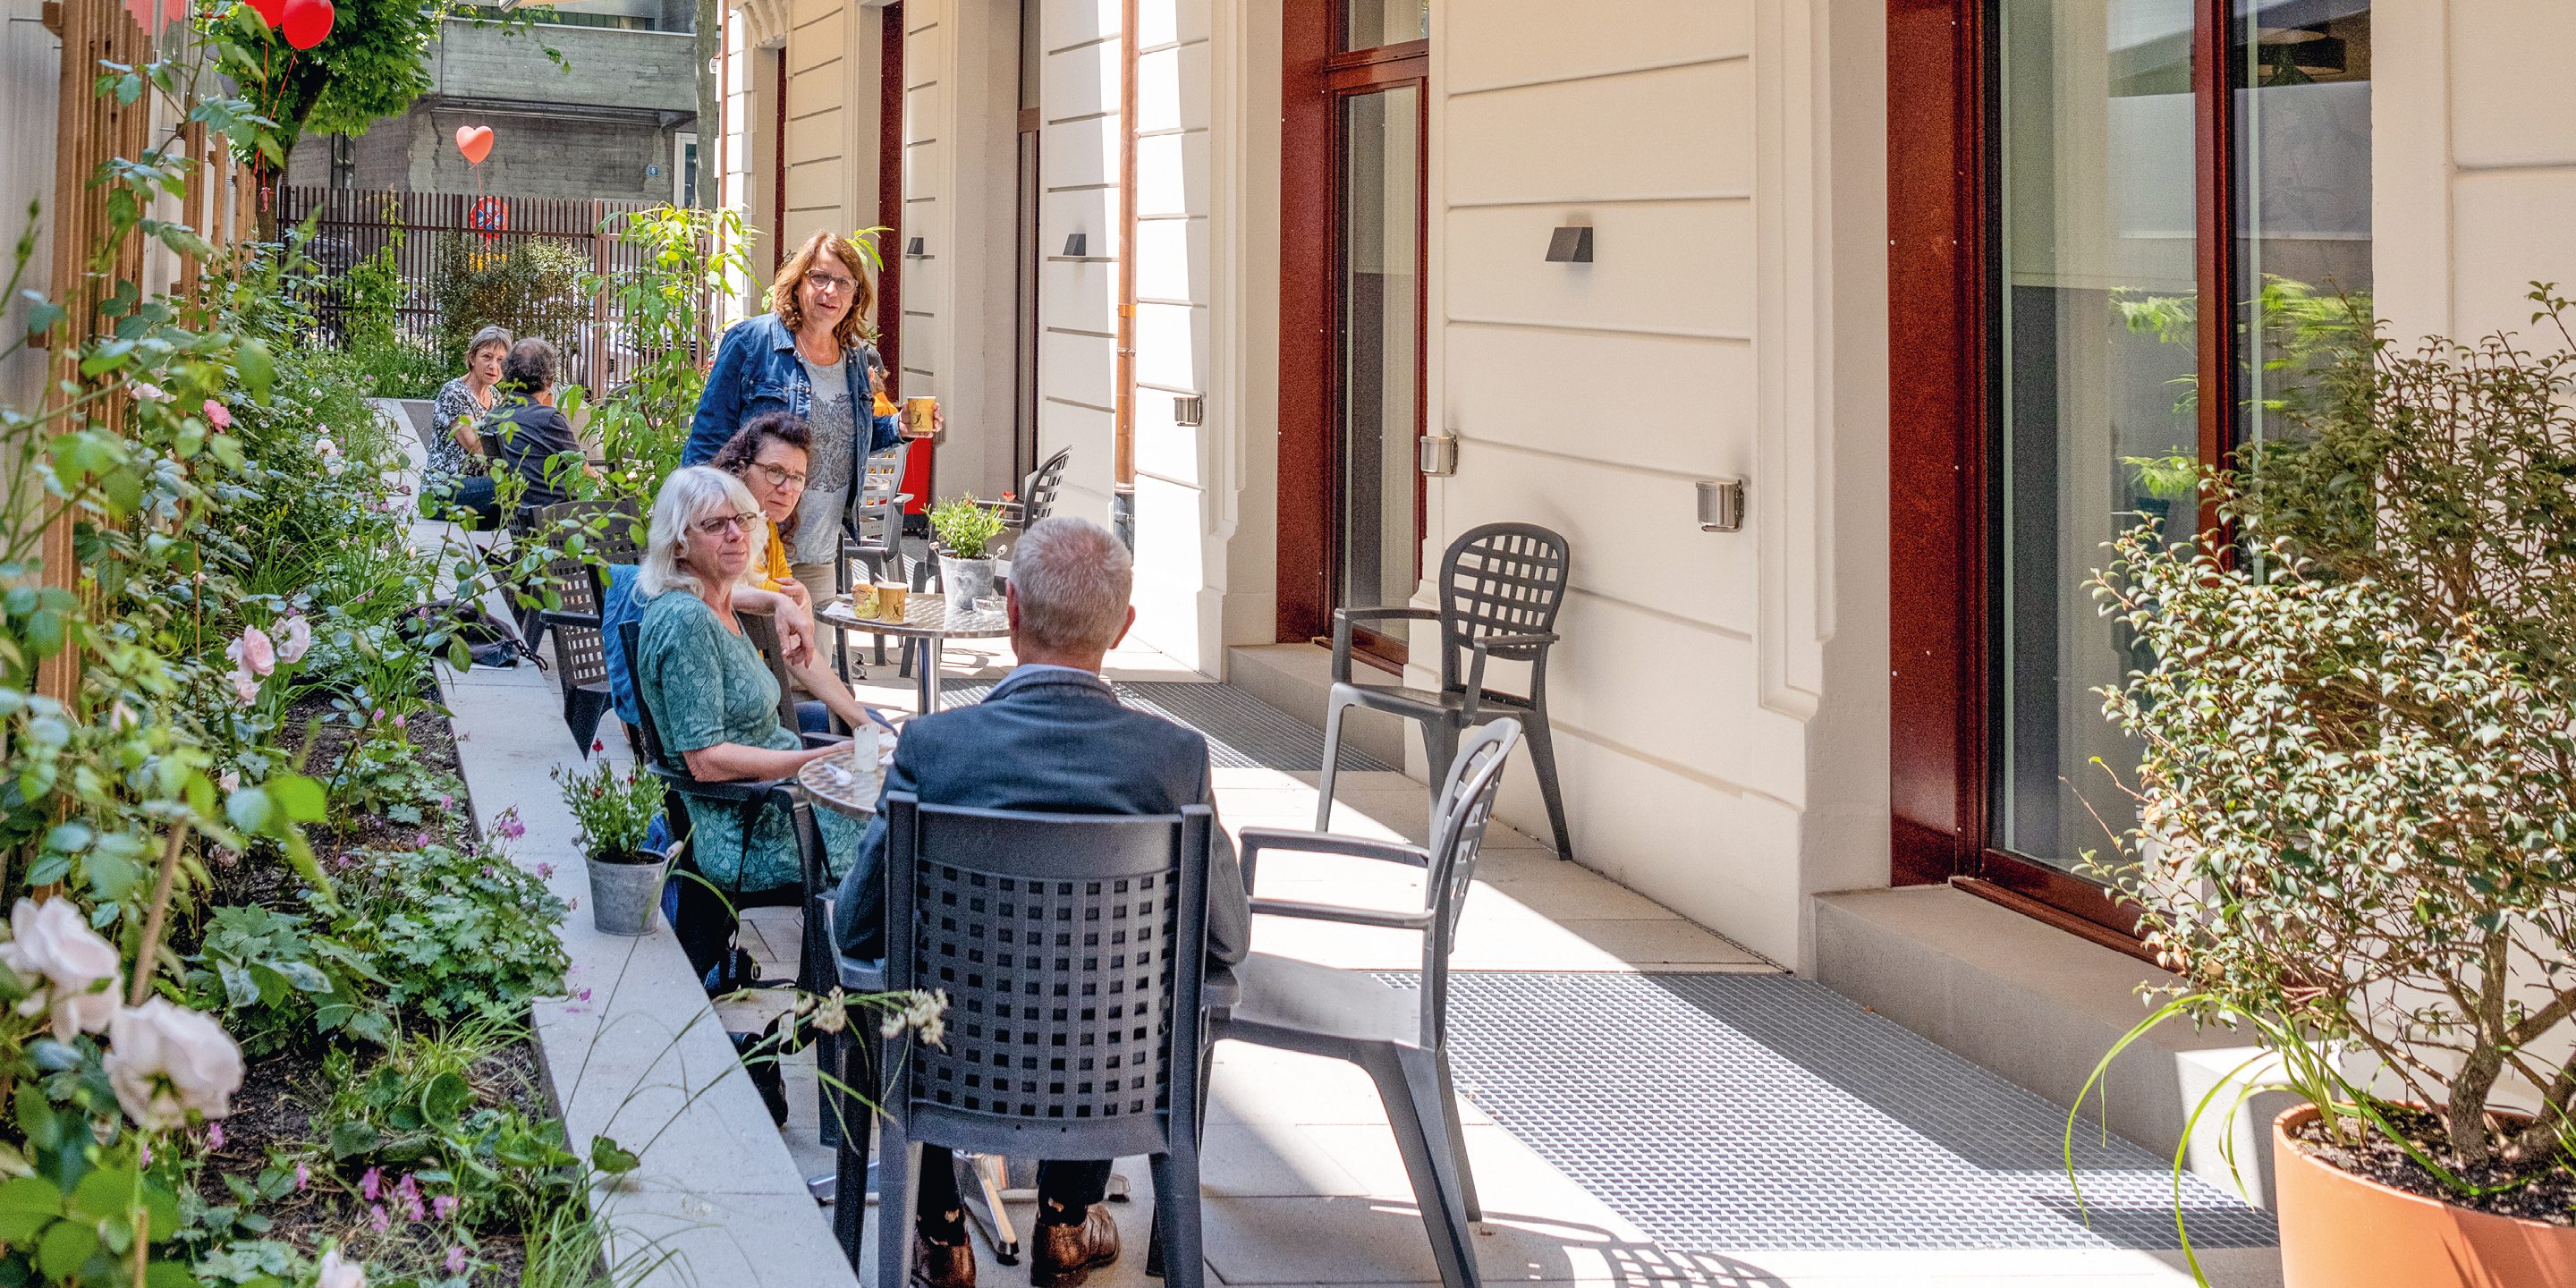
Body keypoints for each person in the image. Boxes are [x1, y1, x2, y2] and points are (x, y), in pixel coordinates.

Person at [832, 516, 1250, 1288]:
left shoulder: (934, 750)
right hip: (1113, 1074)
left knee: (886, 988)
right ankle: (1064, 1224)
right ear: (1123, 628)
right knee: (1105, 998)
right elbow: (1227, 944)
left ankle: (942, 1234)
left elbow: (858, 924)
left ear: (1012, 610)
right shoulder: (1175, 759)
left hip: (949, 1065)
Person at [631, 467, 868, 897]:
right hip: (750, 830)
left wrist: (858, 735)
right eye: (715, 525)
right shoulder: (687, 621)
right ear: (679, 543)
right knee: (905, 842)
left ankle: (835, 961)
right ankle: (852, 958)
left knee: (901, 801)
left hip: (781, 803)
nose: (736, 534)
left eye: (741, 520)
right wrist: (821, 760)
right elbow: (706, 760)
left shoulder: (715, 601)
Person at [684, 229, 932, 607]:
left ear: (855, 297)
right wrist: (706, 531)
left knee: (809, 662)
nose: (830, 291)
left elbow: (848, 435)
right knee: (753, 665)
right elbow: (704, 445)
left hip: (820, 552)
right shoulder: (753, 343)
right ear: (798, 283)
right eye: (820, 277)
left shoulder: (853, 359)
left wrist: (896, 428)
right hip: (751, 546)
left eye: (843, 282)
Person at [708, 412, 897, 736]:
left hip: (759, 699)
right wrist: (778, 603)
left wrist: (857, 717)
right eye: (775, 472)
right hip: (727, 717)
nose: (787, 488)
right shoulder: (717, 525)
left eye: (797, 477)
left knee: (872, 726)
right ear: (741, 467)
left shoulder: (766, 529)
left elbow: (798, 656)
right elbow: (708, 589)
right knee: (859, 736)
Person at [484, 337, 591, 517]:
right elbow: (583, 471)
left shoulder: (492, 417)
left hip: (516, 518)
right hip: (557, 519)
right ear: (549, 382)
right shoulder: (549, 419)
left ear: (507, 375)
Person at [423, 326, 510, 528]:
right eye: (487, 357)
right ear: (472, 358)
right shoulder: (454, 392)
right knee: (514, 486)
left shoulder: (496, 396)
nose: (493, 366)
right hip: (444, 490)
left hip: (478, 487)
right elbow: (476, 446)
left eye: (500, 360)